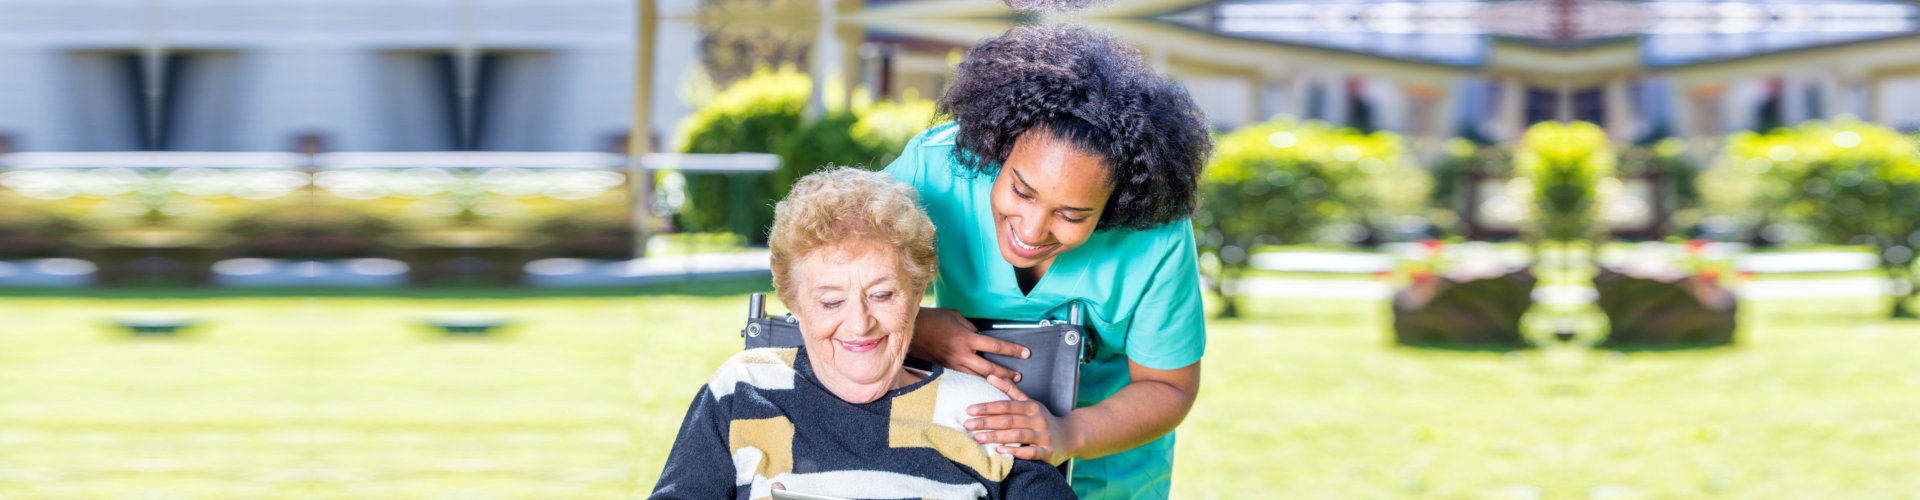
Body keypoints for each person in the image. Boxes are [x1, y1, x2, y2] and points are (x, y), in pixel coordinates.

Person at [881, 25, 1213, 499]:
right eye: (1021, 190)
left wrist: (1065, 435)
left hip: (1108, 467)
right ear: (998, 148)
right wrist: (916, 328)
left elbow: (1169, 386)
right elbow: (824, 271)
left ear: (1119, 205)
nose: (1032, 230)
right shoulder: (933, 169)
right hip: (960, 448)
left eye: (1072, 214)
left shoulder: (1155, 233)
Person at [649, 168, 1072, 500]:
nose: (859, 323)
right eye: (831, 301)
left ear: (917, 293)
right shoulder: (743, 390)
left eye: (883, 295)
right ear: (793, 301)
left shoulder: (983, 414)